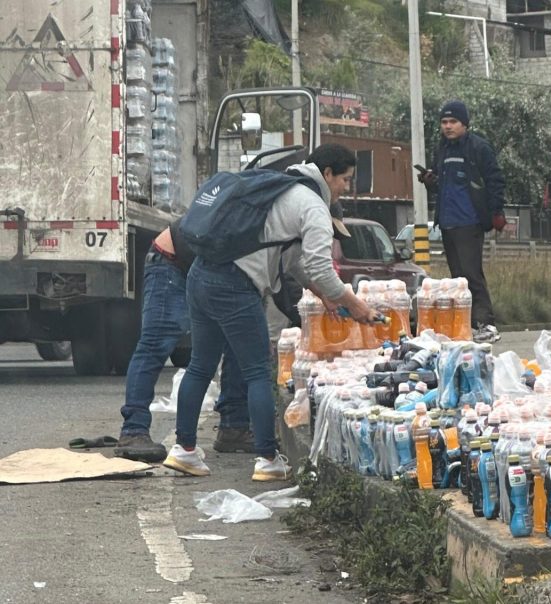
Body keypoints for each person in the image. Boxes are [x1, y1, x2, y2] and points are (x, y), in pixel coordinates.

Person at [163, 143, 375, 481]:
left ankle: (184, 450)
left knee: (201, 366)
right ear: (328, 173)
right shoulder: (314, 207)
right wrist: (354, 302)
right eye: (345, 180)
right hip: (234, 285)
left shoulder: (282, 186)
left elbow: (293, 262)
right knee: (257, 372)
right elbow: (320, 266)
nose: (345, 189)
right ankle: (267, 459)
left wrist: (325, 296)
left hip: (201, 275)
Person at [115, 221, 253, 463]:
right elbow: (289, 285)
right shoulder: (266, 209)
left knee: (239, 339)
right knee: (155, 343)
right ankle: (133, 431)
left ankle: (234, 427)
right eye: (344, 180)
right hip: (172, 261)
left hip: (209, 267)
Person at [418, 100, 506, 343]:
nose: (448, 127)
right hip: (447, 222)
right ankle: (465, 325)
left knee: (470, 275)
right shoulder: (442, 149)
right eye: (444, 122)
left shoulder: (479, 148)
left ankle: (486, 323)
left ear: (464, 124)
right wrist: (429, 180)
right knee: (457, 278)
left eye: (453, 122)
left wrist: (496, 211)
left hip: (470, 222)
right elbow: (441, 185)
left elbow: (495, 180)